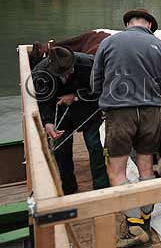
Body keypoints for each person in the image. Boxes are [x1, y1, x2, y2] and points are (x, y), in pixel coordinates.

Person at [91, 9, 161, 247]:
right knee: (146, 166)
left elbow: (94, 82)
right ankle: (147, 218)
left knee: (116, 171)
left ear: (128, 23)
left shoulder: (108, 42)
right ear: (149, 25)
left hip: (119, 114)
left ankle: (133, 224)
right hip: (150, 113)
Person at [32, 46, 109, 195]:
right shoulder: (40, 74)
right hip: (60, 113)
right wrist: (48, 122)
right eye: (64, 72)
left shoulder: (90, 64)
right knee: (61, 149)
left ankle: (101, 186)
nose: (69, 73)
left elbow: (101, 90)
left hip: (88, 110)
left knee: (95, 146)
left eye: (70, 69)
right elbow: (43, 101)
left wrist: (75, 96)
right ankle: (68, 186)